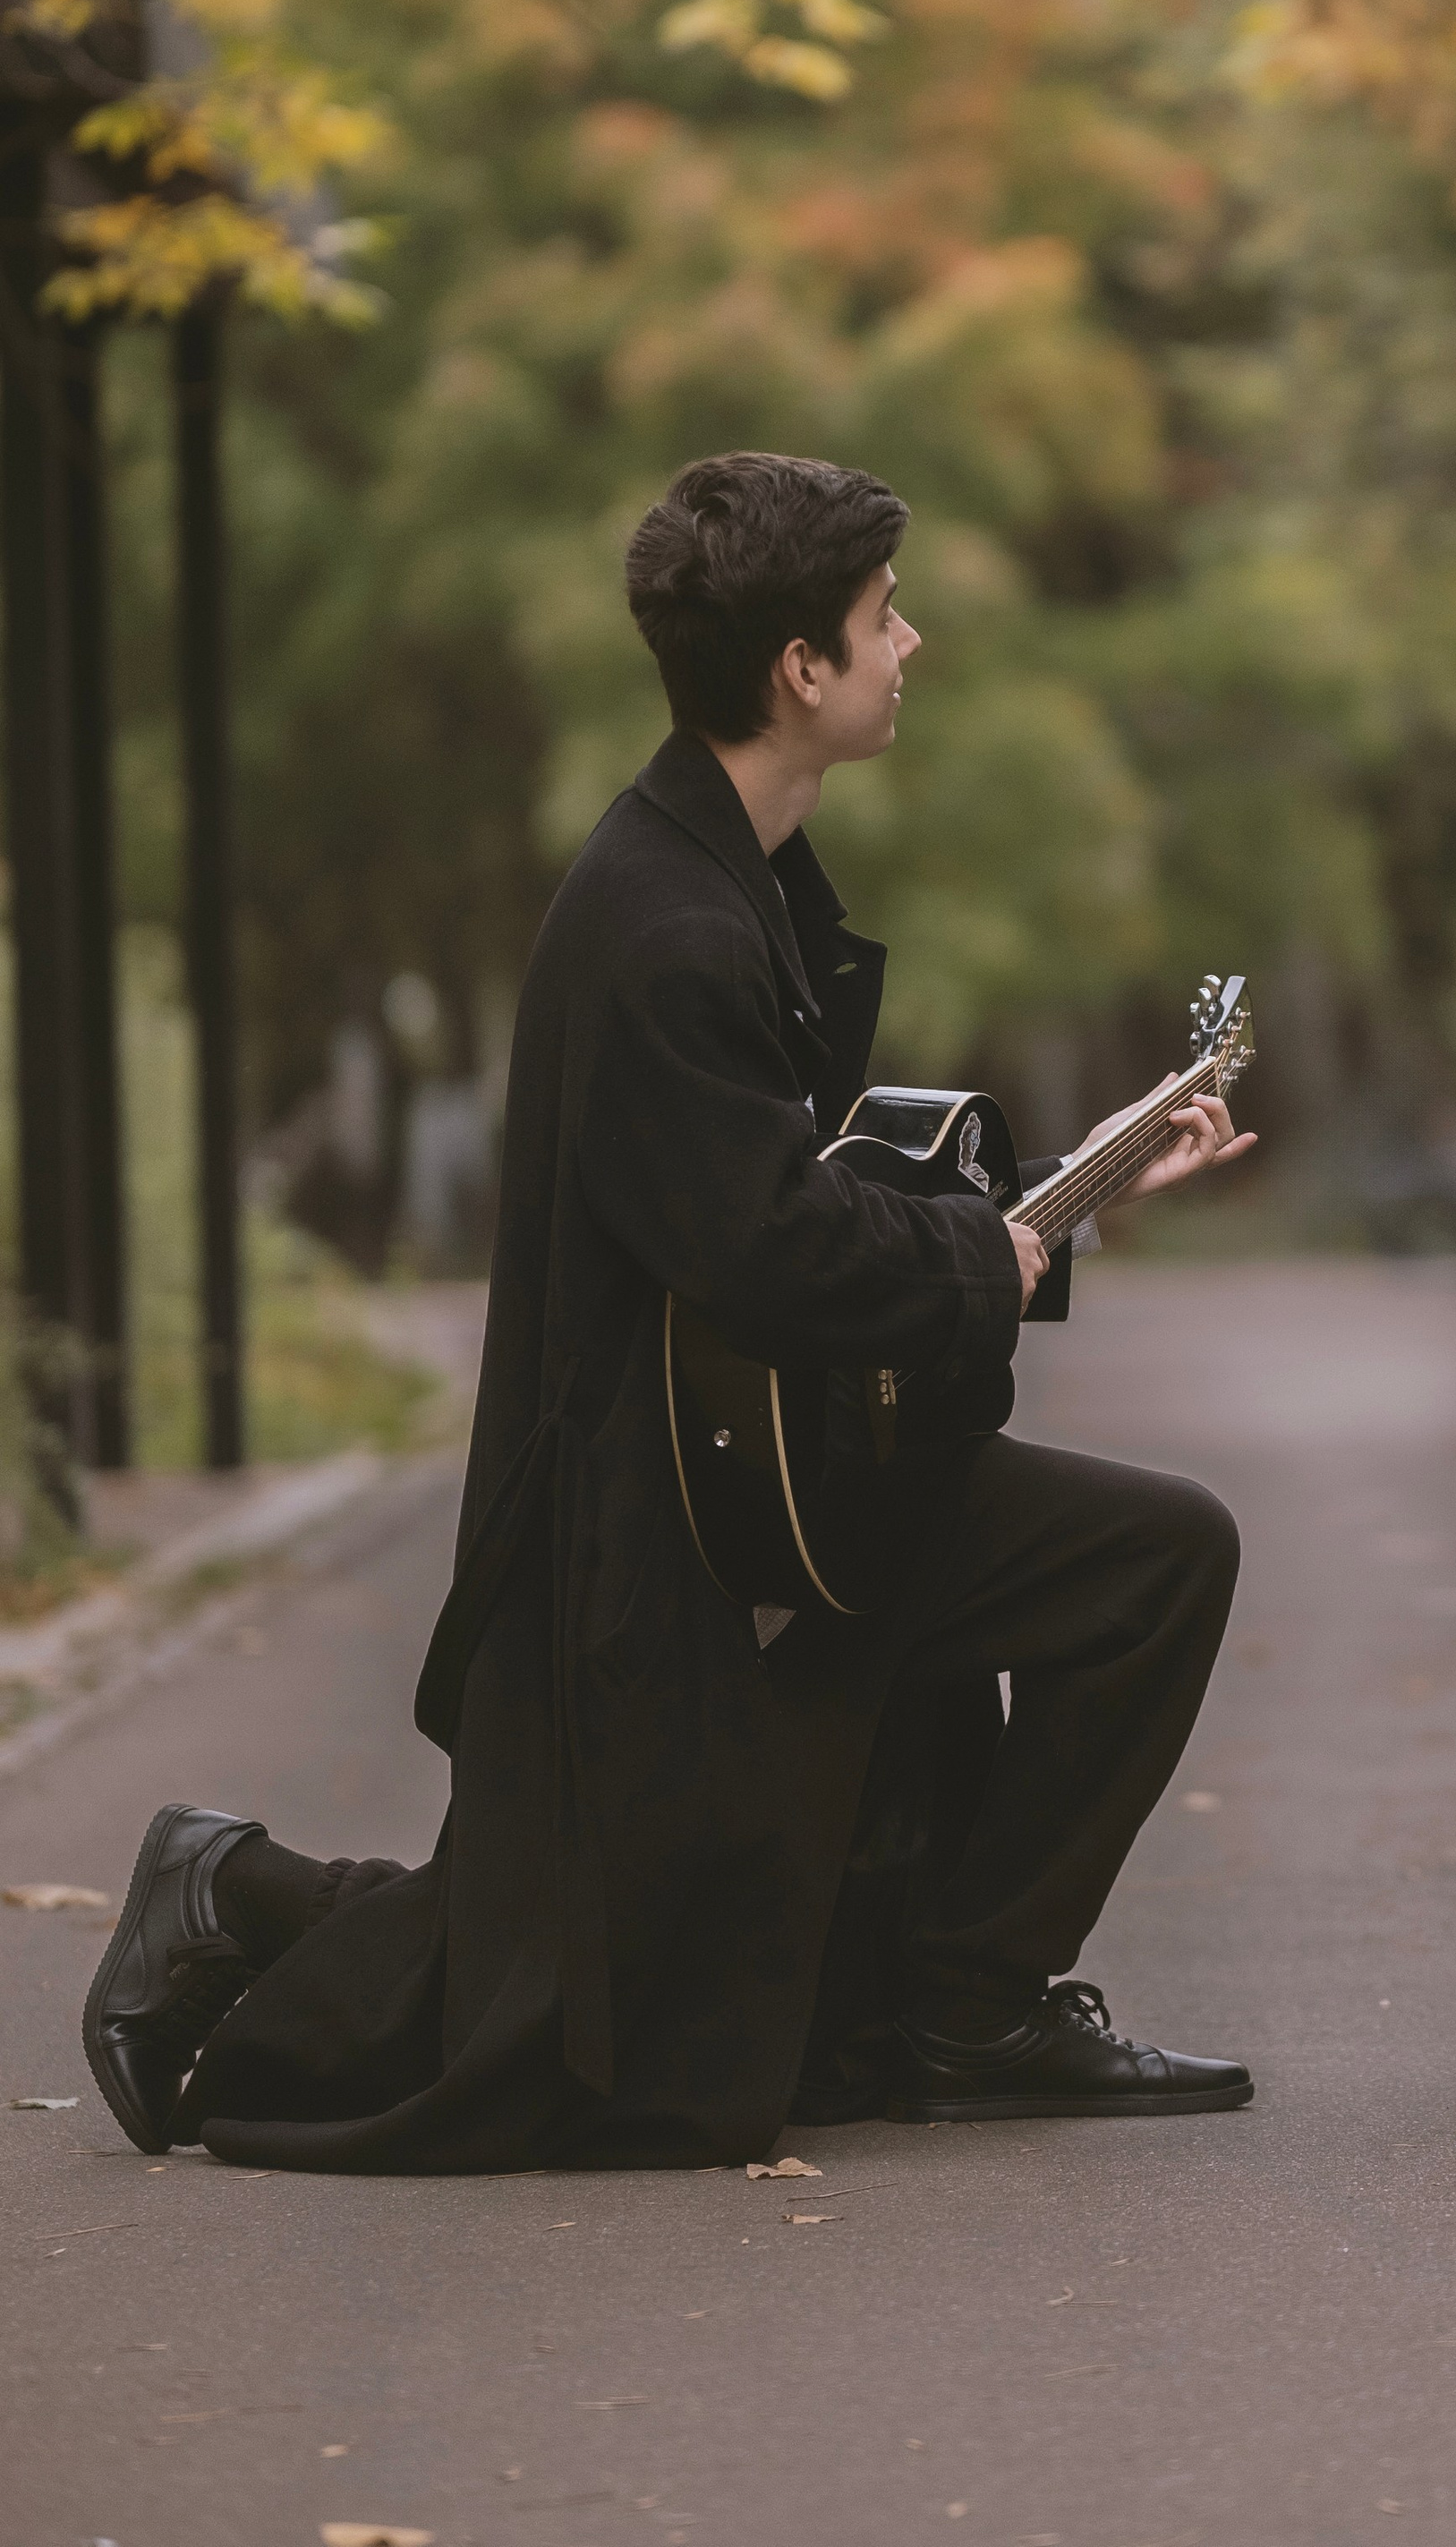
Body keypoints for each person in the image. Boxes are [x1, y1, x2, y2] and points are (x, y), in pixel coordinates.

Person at [84, 451, 1257, 2169]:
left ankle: (970, 1998)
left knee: (1153, 1560)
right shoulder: (661, 925)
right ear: (801, 667)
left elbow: (805, 1191)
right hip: (661, 1544)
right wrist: (972, 1263)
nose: (911, 643)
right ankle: (230, 1886)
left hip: (766, 1478)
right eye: (881, 619)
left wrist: (1062, 1211)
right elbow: (765, 1245)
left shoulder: (730, 877)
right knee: (549, 2002)